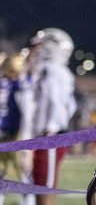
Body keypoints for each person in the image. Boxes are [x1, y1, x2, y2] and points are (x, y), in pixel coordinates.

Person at [28, 28, 77, 205]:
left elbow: (54, 100)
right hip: (48, 134)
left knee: (43, 188)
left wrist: (51, 126)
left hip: (49, 135)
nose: (36, 50)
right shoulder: (51, 69)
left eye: (40, 46)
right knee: (41, 185)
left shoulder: (52, 70)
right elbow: (70, 106)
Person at [0, 52, 34, 205]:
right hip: (4, 132)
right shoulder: (12, 84)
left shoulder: (21, 85)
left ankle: (28, 200)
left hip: (17, 133)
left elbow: (27, 112)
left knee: (23, 170)